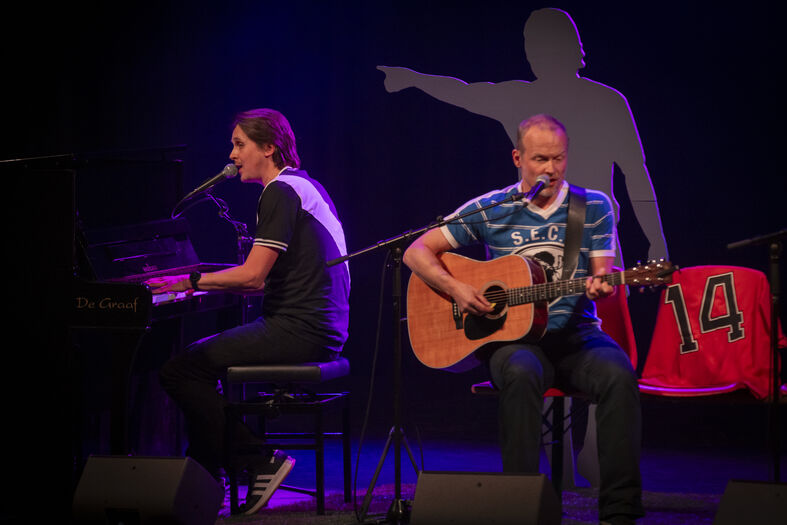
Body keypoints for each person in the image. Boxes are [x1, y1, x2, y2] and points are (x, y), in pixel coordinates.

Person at [403, 114, 644, 525]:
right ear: (518, 158)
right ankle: (522, 507)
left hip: (577, 335)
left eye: (558, 159)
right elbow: (416, 252)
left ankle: (620, 511)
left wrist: (603, 285)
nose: (550, 169)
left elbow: (604, 273)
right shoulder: (492, 207)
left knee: (618, 375)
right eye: (540, 159)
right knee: (520, 371)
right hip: (514, 339)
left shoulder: (592, 206)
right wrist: (457, 289)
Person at [147, 108, 350, 515]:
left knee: (181, 370)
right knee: (197, 365)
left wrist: (189, 282)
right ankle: (209, 476)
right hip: (314, 325)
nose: (232, 155)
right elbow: (265, 278)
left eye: (240, 145)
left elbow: (254, 277)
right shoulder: (303, 185)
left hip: (302, 329)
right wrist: (204, 280)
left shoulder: (281, 190)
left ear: (269, 147)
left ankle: (256, 461)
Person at [378, 7, 668, 266]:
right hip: (530, 239)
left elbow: (636, 174)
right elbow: (463, 93)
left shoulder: (607, 102)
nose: (536, 54)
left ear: (570, 46)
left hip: (593, 234)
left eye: (543, 45)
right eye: (533, 45)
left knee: (602, 306)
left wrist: (657, 240)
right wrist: (413, 78)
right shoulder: (523, 97)